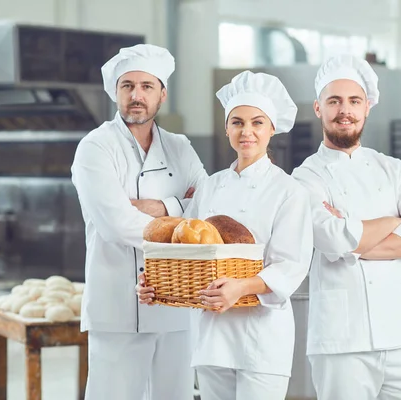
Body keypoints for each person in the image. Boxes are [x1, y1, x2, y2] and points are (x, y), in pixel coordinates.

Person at [137, 70, 314, 400]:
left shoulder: (289, 191)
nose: (246, 131)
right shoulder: (211, 185)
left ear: (272, 128)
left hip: (262, 334)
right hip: (211, 333)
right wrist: (153, 282)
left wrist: (242, 287)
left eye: (257, 122)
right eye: (237, 122)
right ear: (226, 128)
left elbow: (291, 265)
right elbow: (184, 248)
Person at [291, 55, 401, 400]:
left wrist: (353, 242)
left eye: (354, 101)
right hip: (342, 339)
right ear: (318, 108)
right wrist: (395, 223)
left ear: (367, 108)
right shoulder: (305, 176)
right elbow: (329, 238)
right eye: (334, 101)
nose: (345, 110)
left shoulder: (394, 169)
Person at [71, 44, 207, 400]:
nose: (136, 95)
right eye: (127, 85)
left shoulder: (180, 147)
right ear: (115, 92)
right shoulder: (95, 148)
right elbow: (116, 223)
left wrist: (159, 206)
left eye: (147, 86)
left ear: (162, 94)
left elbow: (206, 208)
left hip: (177, 306)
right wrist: (182, 211)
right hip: (116, 308)